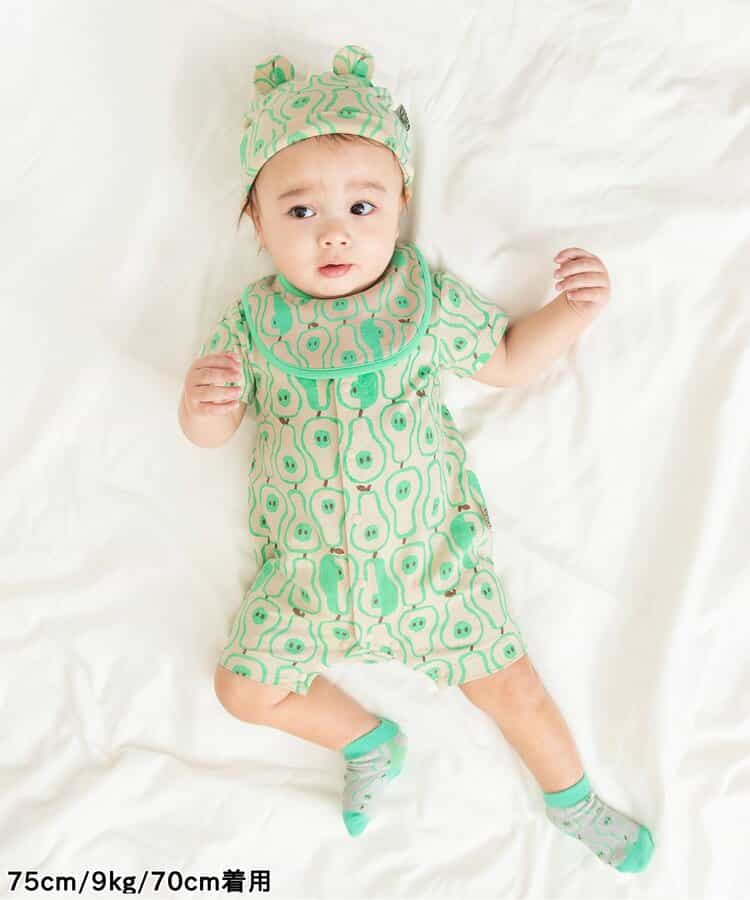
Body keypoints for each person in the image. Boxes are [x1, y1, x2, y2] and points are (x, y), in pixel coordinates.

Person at [178, 44, 654, 872]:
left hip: (430, 571)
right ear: (256, 223)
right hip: (306, 584)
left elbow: (507, 358)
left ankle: (573, 800)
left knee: (515, 690)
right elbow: (210, 436)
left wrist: (572, 312)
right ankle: (365, 739)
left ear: (400, 204)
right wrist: (204, 407)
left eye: (361, 207)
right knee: (241, 691)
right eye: (299, 211)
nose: (333, 231)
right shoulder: (254, 323)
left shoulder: (421, 301)